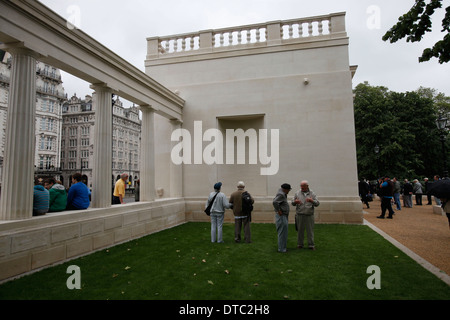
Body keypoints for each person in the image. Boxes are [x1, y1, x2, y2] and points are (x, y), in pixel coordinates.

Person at [292, 181, 320, 250]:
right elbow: (292, 202)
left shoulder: (312, 193)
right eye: (301, 187)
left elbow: (317, 203)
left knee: (310, 230)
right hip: (300, 214)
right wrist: (295, 202)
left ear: (307, 186)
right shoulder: (297, 193)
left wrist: (312, 201)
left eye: (303, 187)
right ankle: (300, 244)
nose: (302, 188)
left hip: (309, 214)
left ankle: (311, 245)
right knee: (300, 230)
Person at [272, 183, 291, 253]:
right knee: (282, 232)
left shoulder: (282, 193)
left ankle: (283, 248)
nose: (289, 191)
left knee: (283, 232)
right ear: (285, 189)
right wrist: (278, 210)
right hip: (281, 216)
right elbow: (274, 202)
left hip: (283, 215)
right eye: (288, 190)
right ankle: (282, 249)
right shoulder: (281, 194)